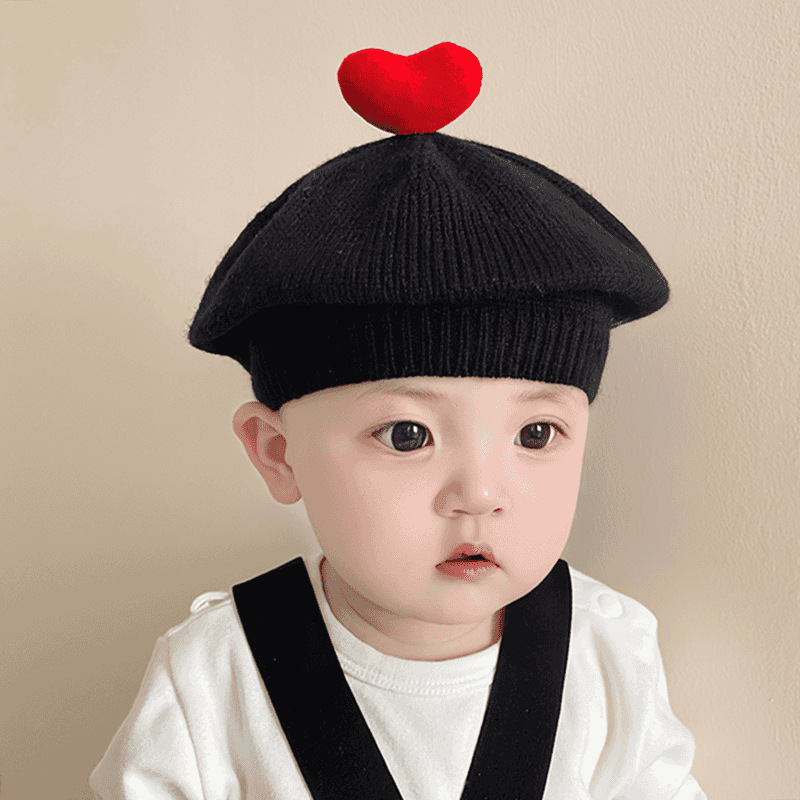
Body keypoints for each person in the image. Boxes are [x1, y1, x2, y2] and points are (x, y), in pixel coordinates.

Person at [90, 42, 707, 799]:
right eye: (408, 435)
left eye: (536, 434)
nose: (480, 493)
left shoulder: (607, 652)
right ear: (278, 454)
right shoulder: (216, 678)